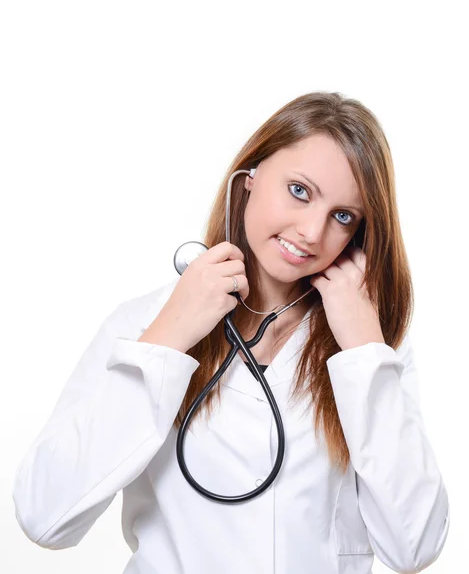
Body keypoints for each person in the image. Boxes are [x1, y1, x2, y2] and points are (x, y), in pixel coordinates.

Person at [12, 91, 449, 573]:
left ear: (359, 237)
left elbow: (415, 547)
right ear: (250, 178)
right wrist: (166, 341)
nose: (310, 231)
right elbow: (44, 516)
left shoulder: (368, 347)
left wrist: (366, 352)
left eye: (342, 216)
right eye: (299, 191)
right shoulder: (144, 323)